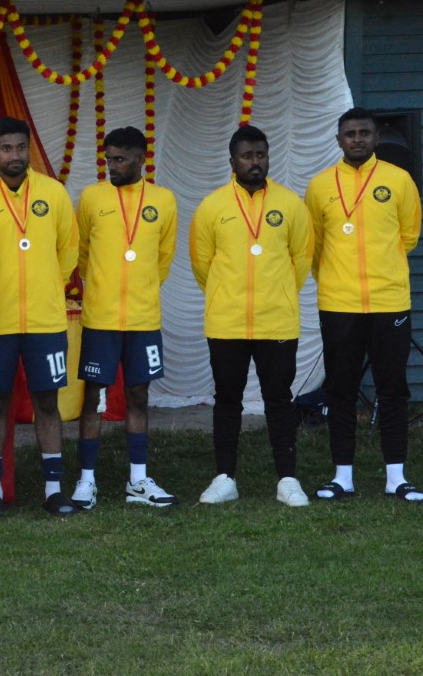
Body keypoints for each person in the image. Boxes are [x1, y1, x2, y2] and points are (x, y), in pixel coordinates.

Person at [0, 117, 78, 517]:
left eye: (20, 148)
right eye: (6, 148)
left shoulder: (53, 193)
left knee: (47, 401)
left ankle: (53, 490)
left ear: (29, 149)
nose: (15, 155)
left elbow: (68, 250)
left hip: (45, 322)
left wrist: (47, 287)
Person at [190, 125, 314, 506]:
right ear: (232, 161)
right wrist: (227, 295)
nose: (254, 162)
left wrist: (276, 294)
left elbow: (301, 259)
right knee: (227, 400)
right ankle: (225, 477)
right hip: (226, 323)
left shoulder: (290, 204)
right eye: (247, 156)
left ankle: (287, 480)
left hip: (276, 321)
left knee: (279, 400)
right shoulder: (212, 206)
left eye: (260, 154)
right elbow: (202, 263)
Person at [304, 108, 422, 501]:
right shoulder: (320, 185)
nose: (357, 139)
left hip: (389, 301)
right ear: (338, 139)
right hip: (339, 303)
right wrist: (338, 280)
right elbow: (315, 245)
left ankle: (396, 477)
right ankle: (343, 476)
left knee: (393, 388)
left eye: (364, 133)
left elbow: (408, 235)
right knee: (341, 390)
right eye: (350, 133)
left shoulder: (399, 180)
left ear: (376, 138)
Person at [71, 127, 178, 510]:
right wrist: (104, 287)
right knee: (93, 399)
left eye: (119, 159)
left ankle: (138, 479)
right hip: (100, 319)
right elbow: (83, 252)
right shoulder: (91, 197)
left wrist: (140, 287)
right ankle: (86, 481)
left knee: (138, 396)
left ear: (140, 159)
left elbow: (163, 258)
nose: (112, 166)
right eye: (108, 159)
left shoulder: (163, 200)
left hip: (143, 319)